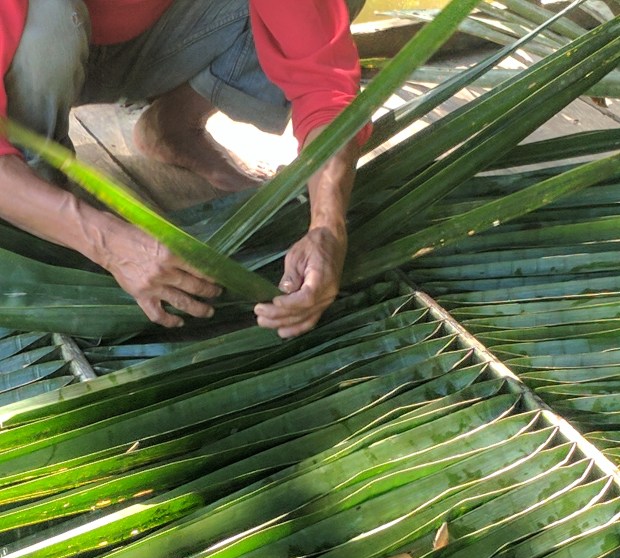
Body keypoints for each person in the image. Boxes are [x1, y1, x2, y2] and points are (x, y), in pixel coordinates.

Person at [0, 0, 370, 338]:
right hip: (35, 49)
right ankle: (36, 192)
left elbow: (324, 84)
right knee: (46, 20)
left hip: (143, 43)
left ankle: (173, 129)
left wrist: (327, 226)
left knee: (326, 10)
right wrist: (106, 242)